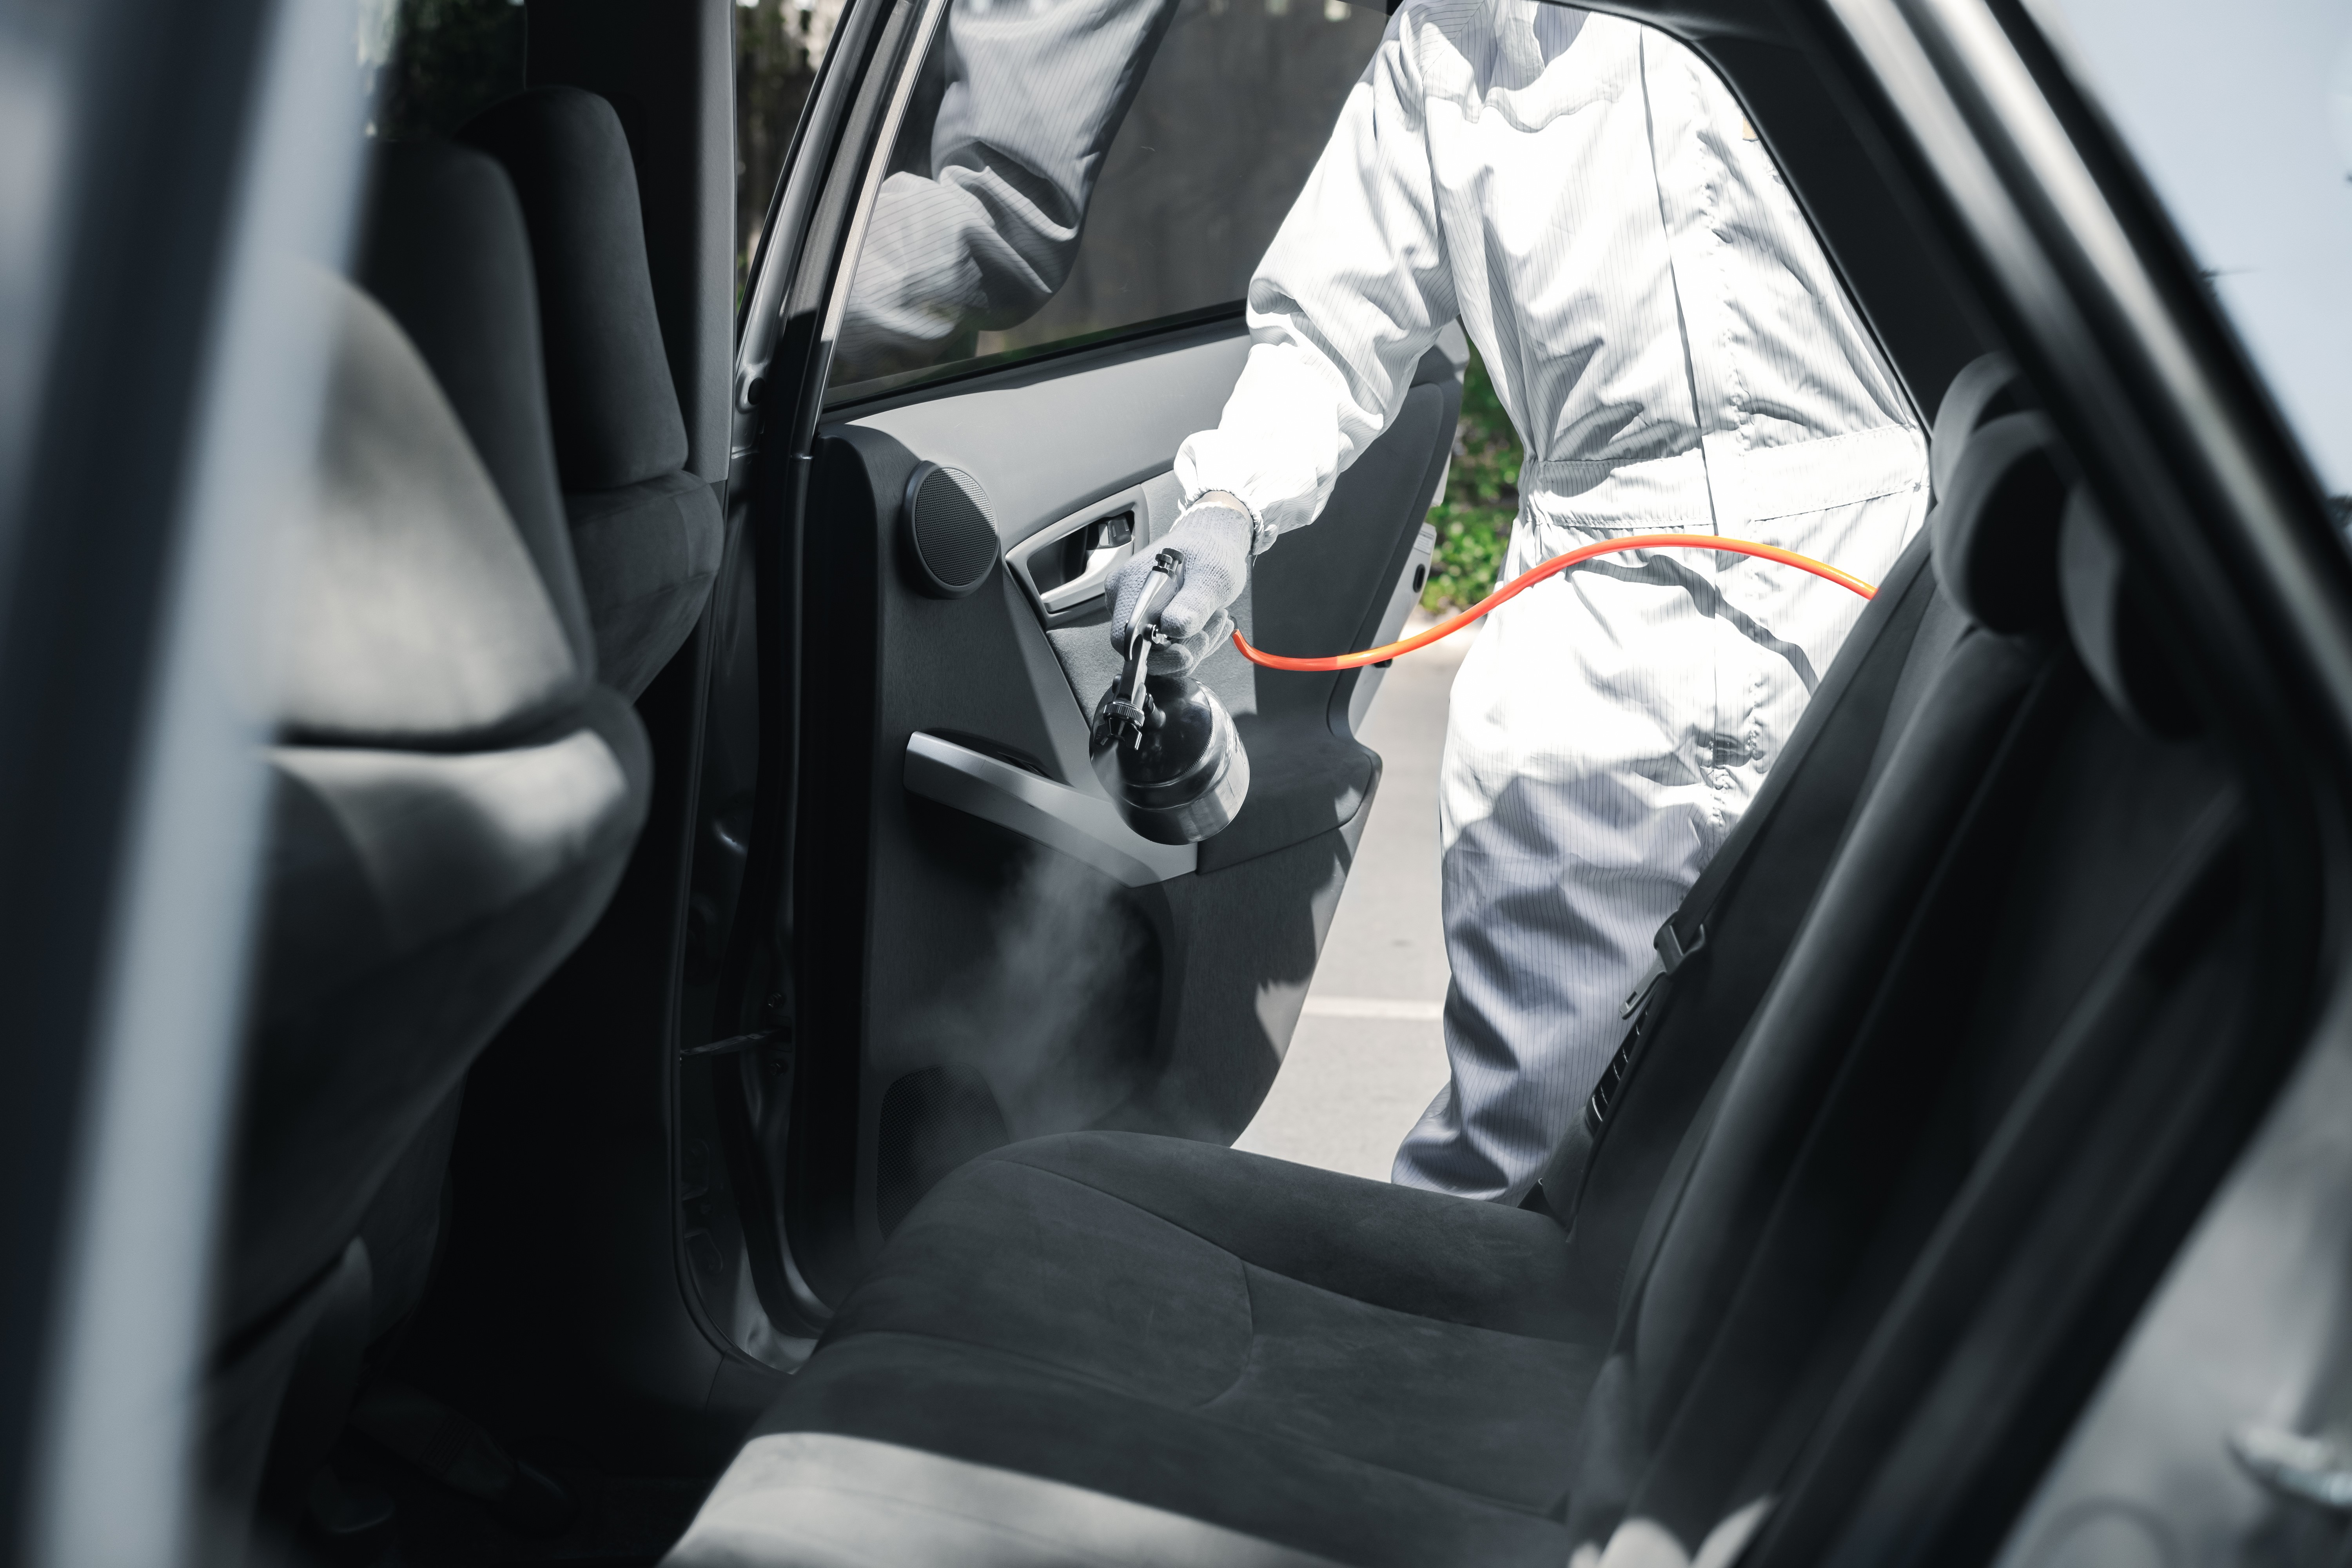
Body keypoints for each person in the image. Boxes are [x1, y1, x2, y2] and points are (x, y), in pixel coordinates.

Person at [1107, 2, 1929, 1203]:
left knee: (1883, 1113)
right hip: (1590, 607)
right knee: (1521, 1146)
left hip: (1873, 568)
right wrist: (1228, 504)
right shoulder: (1446, 44)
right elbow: (1331, 329)